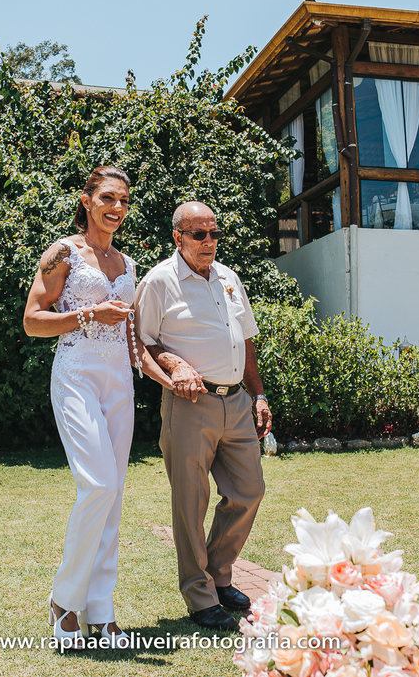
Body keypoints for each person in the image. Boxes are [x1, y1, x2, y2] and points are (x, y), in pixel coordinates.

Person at [22, 165, 168, 650]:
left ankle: (101, 611)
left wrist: (167, 375)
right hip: (77, 375)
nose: (117, 208)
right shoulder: (63, 252)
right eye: (108, 198)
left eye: (124, 201)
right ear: (86, 200)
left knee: (115, 492)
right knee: (98, 484)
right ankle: (64, 601)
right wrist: (86, 314)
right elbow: (32, 321)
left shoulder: (128, 265)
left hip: (118, 383)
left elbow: (132, 340)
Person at [134, 201, 272, 632]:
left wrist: (259, 395)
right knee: (190, 504)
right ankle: (199, 595)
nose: (209, 241)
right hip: (189, 405)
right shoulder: (159, 282)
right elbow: (140, 343)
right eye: (199, 234)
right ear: (178, 237)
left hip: (236, 402)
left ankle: (219, 575)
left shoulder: (229, 277)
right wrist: (174, 365)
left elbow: (245, 339)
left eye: (213, 233)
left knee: (249, 492)